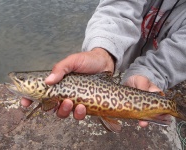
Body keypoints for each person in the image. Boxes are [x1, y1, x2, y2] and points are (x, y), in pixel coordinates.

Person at [21, 0, 186, 127]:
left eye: (22, 80)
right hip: (115, 56)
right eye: (23, 79)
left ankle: (166, 105)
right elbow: (117, 7)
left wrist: (152, 73)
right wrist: (102, 53)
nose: (18, 81)